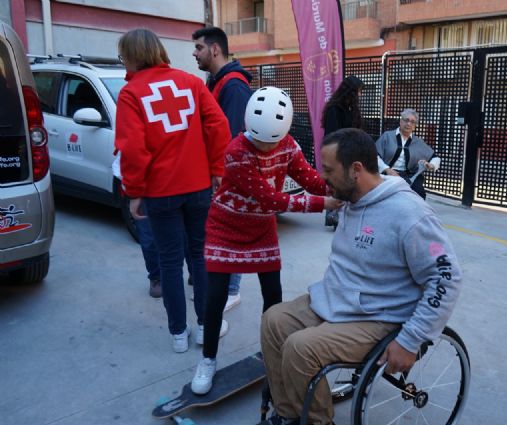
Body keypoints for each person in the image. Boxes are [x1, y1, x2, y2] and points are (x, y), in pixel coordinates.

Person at [258, 128, 462, 425]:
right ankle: (290, 412)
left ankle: (316, 421)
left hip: (379, 317)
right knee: (274, 320)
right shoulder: (351, 199)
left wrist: (410, 340)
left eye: (328, 170)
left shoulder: (409, 213)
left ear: (356, 170)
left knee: (301, 348)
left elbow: (446, 277)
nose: (322, 178)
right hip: (341, 301)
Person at [190, 86, 342, 395]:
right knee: (215, 298)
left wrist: (336, 189)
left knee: (273, 297)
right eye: (258, 139)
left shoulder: (287, 145)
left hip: (261, 228)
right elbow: (271, 198)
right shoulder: (236, 152)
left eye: (270, 142)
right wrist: (321, 205)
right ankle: (207, 360)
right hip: (226, 227)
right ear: (248, 126)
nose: (263, 147)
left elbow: (307, 177)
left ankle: (271, 354)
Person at [115, 28, 231, 353]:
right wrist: (217, 170)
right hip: (198, 188)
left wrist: (134, 191)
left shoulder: (130, 94)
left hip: (160, 192)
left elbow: (133, 149)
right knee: (200, 256)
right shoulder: (192, 83)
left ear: (131, 56)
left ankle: (178, 335)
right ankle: (206, 325)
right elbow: (218, 126)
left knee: (169, 262)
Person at [192, 26, 254, 312]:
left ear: (215, 49)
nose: (195, 53)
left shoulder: (234, 85)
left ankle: (232, 290)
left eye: (199, 48)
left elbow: (232, 137)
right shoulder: (216, 81)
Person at [321, 74, 364, 226]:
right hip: (338, 153)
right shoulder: (335, 109)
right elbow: (332, 135)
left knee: (349, 183)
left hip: (350, 151)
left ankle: (345, 214)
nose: (360, 94)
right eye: (359, 91)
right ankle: (334, 216)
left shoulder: (351, 108)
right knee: (338, 183)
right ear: (351, 91)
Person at [376, 109, 441, 200]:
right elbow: (375, 156)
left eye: (412, 122)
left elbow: (435, 157)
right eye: (406, 120)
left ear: (415, 126)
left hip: (409, 176)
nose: (409, 124)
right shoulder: (387, 136)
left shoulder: (418, 142)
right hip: (388, 173)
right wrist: (387, 169)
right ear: (400, 121)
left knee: (419, 194)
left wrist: (431, 165)